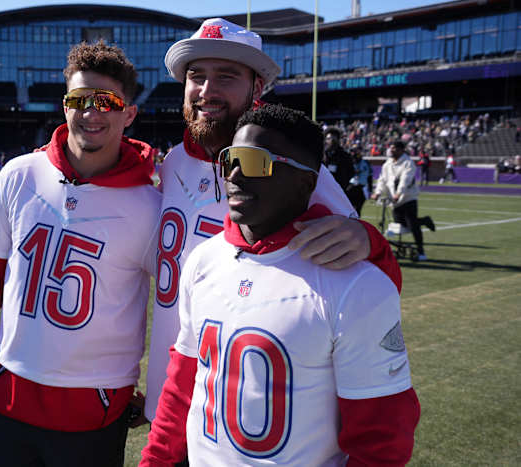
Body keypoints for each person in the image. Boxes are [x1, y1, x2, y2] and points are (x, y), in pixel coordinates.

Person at [144, 17, 402, 431]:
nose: (207, 91)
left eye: (226, 76)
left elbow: (369, 279)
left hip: (248, 420)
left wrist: (369, 240)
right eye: (197, 76)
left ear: (257, 89)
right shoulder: (172, 162)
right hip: (173, 403)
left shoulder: (291, 171)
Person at [140, 104, 420, 466]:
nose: (235, 175)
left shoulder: (357, 284)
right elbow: (181, 388)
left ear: (306, 181)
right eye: (231, 159)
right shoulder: (203, 260)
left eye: (256, 161)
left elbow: (383, 440)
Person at [0, 41, 159, 466]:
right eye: (80, 100)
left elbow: (176, 311)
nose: (91, 114)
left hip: (95, 408)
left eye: (106, 102)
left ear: (128, 113)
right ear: (64, 105)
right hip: (9, 395)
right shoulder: (20, 174)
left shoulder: (152, 202)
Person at [371, 140, 436, 261]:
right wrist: (377, 192)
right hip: (394, 200)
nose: (391, 150)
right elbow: (382, 179)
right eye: (391, 148)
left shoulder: (408, 163)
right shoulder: (387, 164)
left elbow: (405, 179)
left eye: (394, 148)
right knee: (401, 224)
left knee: (412, 225)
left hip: (408, 198)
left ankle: (421, 251)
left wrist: (399, 193)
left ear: (401, 150)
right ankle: (425, 220)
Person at [324, 126, 355, 192]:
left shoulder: (345, 156)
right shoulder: (322, 155)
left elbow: (351, 172)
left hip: (339, 189)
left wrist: (344, 184)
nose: (331, 141)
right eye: (328, 138)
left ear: (338, 140)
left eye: (334, 138)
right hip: (324, 189)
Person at [346, 149, 371, 217]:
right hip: (352, 186)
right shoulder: (351, 163)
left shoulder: (365, 163)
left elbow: (369, 176)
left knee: (359, 208)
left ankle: (356, 220)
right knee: (349, 207)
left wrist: (370, 189)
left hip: (361, 187)